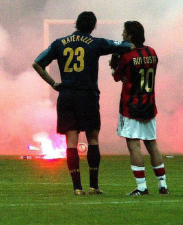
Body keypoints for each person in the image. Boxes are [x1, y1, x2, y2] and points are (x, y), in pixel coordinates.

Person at [33, 11, 133, 195]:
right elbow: (127, 46)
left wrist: (54, 83)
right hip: (87, 96)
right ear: (93, 26)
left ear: (76, 24)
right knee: (93, 139)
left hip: (67, 95)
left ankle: (77, 188)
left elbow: (37, 63)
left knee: (71, 141)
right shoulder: (97, 43)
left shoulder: (59, 43)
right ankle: (94, 185)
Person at [110, 21, 168, 196]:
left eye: (124, 32)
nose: (122, 35)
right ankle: (162, 185)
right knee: (152, 144)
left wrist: (115, 64)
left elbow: (116, 76)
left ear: (129, 35)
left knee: (134, 146)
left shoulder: (127, 56)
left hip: (131, 106)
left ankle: (141, 187)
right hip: (149, 105)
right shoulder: (152, 52)